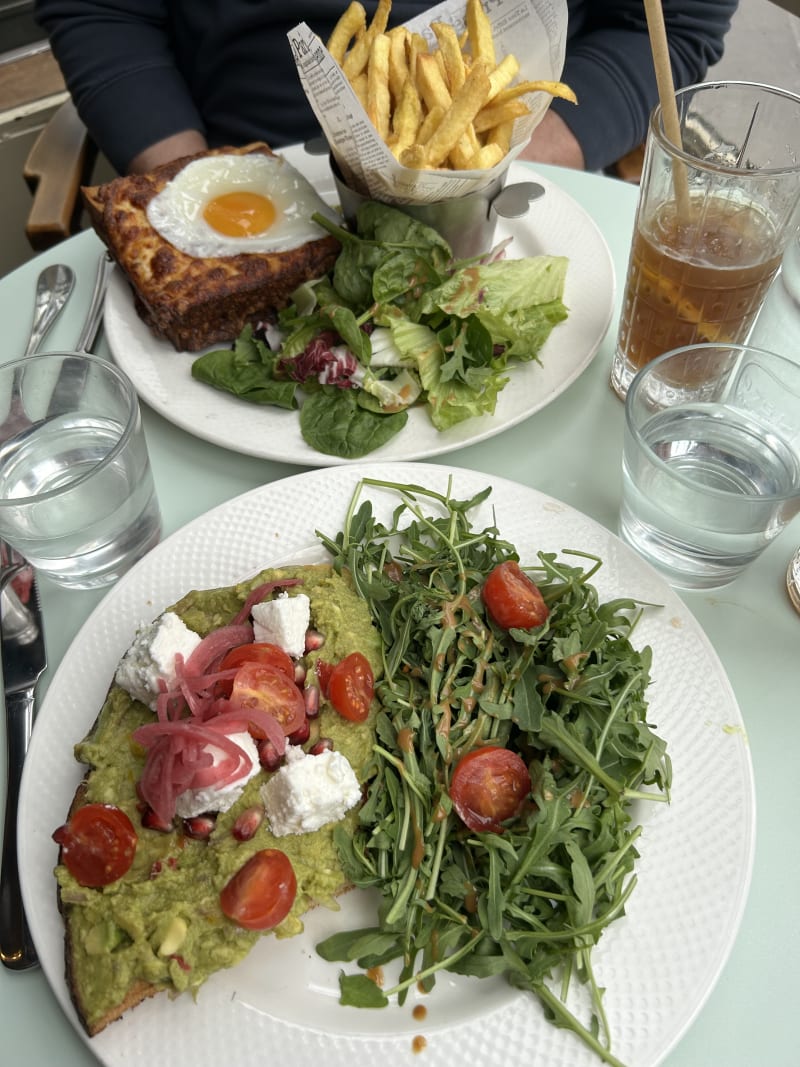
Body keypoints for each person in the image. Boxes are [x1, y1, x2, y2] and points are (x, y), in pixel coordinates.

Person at [34, 0, 739, 176]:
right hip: (243, 167)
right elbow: (104, 12)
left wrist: (501, 168)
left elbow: (671, 23)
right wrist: (198, 199)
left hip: (521, 178)